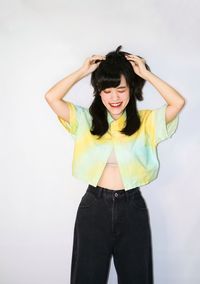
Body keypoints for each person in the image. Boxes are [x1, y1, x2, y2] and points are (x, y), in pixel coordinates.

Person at [44, 45, 185, 284]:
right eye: (107, 91)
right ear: (98, 92)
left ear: (131, 89)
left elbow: (177, 102)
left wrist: (146, 74)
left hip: (132, 208)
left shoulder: (147, 121)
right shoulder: (85, 120)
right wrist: (82, 71)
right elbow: (51, 97)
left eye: (120, 89)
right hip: (93, 208)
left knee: (137, 278)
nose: (114, 98)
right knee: (86, 278)